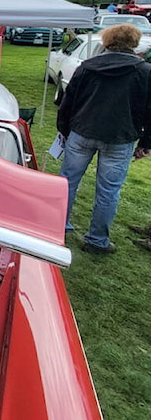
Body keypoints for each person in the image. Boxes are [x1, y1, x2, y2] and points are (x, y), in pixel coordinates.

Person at [57, 22, 151, 255]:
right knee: (108, 191)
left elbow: (68, 102)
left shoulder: (88, 66)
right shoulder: (144, 72)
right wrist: (146, 143)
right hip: (119, 138)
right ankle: (97, 240)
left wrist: (64, 131)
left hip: (83, 133)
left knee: (67, 182)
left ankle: (58, 227)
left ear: (107, 41)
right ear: (134, 43)